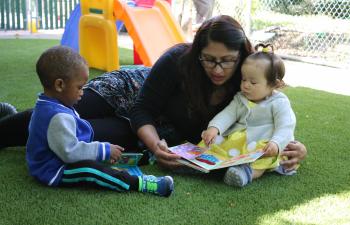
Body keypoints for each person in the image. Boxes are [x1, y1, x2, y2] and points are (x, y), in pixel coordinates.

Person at [0, 15, 306, 175]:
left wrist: (295, 148)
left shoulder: (250, 84)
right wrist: (153, 143)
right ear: (197, 53)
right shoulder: (178, 59)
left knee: (79, 136)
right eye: (208, 59)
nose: (217, 69)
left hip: (155, 127)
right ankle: (6, 126)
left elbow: (272, 120)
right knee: (60, 113)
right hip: (128, 93)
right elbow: (142, 108)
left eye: (227, 60)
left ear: (242, 56)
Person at [26, 46, 174, 197]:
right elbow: (69, 153)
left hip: (58, 156)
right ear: (60, 85)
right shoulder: (57, 117)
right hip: (53, 168)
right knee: (91, 170)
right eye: (79, 87)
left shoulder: (47, 103)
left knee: (105, 156)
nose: (82, 92)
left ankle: (142, 159)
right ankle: (139, 183)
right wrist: (102, 149)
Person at [201, 43, 296, 187]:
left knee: (262, 158)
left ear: (274, 85)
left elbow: (286, 126)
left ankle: (246, 172)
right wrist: (214, 128)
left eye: (253, 82)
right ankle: (201, 161)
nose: (246, 85)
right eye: (244, 79)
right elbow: (227, 114)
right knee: (214, 141)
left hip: (265, 144)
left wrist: (276, 143)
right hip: (240, 140)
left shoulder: (279, 102)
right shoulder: (241, 98)